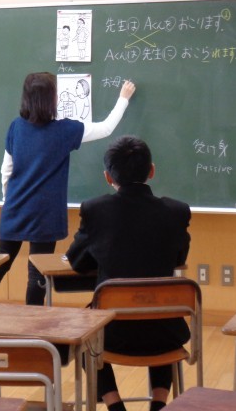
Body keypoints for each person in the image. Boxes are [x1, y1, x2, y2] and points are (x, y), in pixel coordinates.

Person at [65, 136, 191, 411]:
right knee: (159, 311)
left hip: (112, 334)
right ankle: (159, 404)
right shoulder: (177, 212)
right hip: (166, 333)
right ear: (151, 171)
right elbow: (179, 258)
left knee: (85, 334)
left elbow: (77, 262)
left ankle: (115, 405)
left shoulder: (95, 210)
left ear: (108, 177)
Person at [0, 72, 136, 305]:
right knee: (36, 274)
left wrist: (7, 201)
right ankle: (33, 323)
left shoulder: (16, 127)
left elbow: (6, 171)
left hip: (14, 208)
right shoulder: (64, 131)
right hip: (45, 213)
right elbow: (105, 129)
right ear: (50, 99)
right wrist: (123, 98)